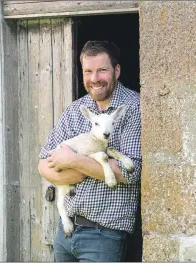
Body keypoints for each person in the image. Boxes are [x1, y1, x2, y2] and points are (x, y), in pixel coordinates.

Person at [38, 40, 142, 262]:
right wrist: (80, 170)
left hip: (104, 234)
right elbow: (42, 163)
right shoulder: (76, 110)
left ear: (117, 70)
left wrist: (73, 160)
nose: (94, 79)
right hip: (66, 230)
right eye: (88, 71)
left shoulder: (134, 108)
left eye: (102, 70)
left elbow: (130, 172)